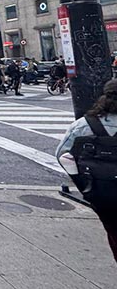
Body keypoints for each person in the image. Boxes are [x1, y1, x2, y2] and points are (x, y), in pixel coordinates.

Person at [56, 80, 117, 263]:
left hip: (100, 191)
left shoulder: (84, 124)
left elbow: (62, 154)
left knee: (113, 230)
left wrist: (82, 181)